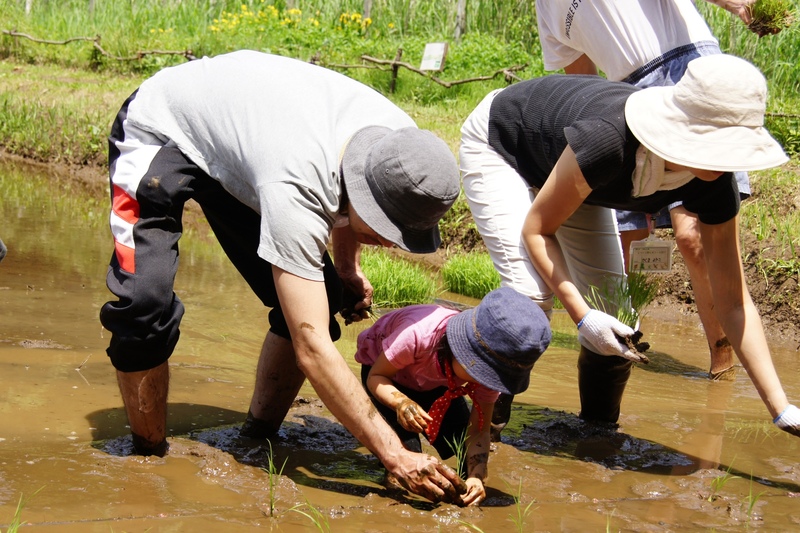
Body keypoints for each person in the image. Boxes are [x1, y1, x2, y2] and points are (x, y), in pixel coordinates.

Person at [100, 50, 466, 503]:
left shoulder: (405, 150)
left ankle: (256, 439)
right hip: (164, 125)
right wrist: (395, 456)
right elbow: (312, 347)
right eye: (390, 233)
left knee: (327, 295)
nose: (393, 245)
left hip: (252, 142)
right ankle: (147, 458)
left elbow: (350, 200)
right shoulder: (297, 183)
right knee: (143, 303)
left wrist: (348, 269)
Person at [459, 54, 800, 439]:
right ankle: (483, 431)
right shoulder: (609, 141)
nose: (729, 161)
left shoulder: (715, 182)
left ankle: (597, 438)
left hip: (574, 175)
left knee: (619, 321)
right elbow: (537, 231)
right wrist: (583, 318)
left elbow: (734, 301)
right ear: (686, 127)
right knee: (531, 297)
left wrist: (781, 408)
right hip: (505, 144)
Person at [535, 0, 760, 382]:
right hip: (626, 93)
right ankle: (620, 350)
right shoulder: (548, 8)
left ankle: (723, 365)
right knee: (628, 237)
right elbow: (581, 82)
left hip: (688, 71)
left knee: (694, 238)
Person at [355, 287, 551, 506]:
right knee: (407, 453)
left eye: (492, 378)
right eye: (481, 373)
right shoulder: (417, 335)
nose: (485, 382)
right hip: (388, 377)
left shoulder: (490, 374)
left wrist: (477, 477)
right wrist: (402, 403)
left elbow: (478, 429)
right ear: (462, 350)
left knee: (461, 446)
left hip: (440, 382)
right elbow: (376, 377)